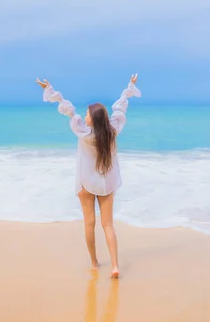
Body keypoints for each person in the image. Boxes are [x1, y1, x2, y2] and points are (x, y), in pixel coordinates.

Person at [36, 74, 141, 278]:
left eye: (87, 114)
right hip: (107, 183)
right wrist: (130, 86)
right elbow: (120, 107)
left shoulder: (84, 133)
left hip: (86, 183)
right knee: (108, 225)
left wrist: (49, 88)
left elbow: (68, 109)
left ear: (93, 119)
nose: (85, 116)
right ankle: (115, 266)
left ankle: (94, 263)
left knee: (89, 224)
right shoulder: (113, 131)